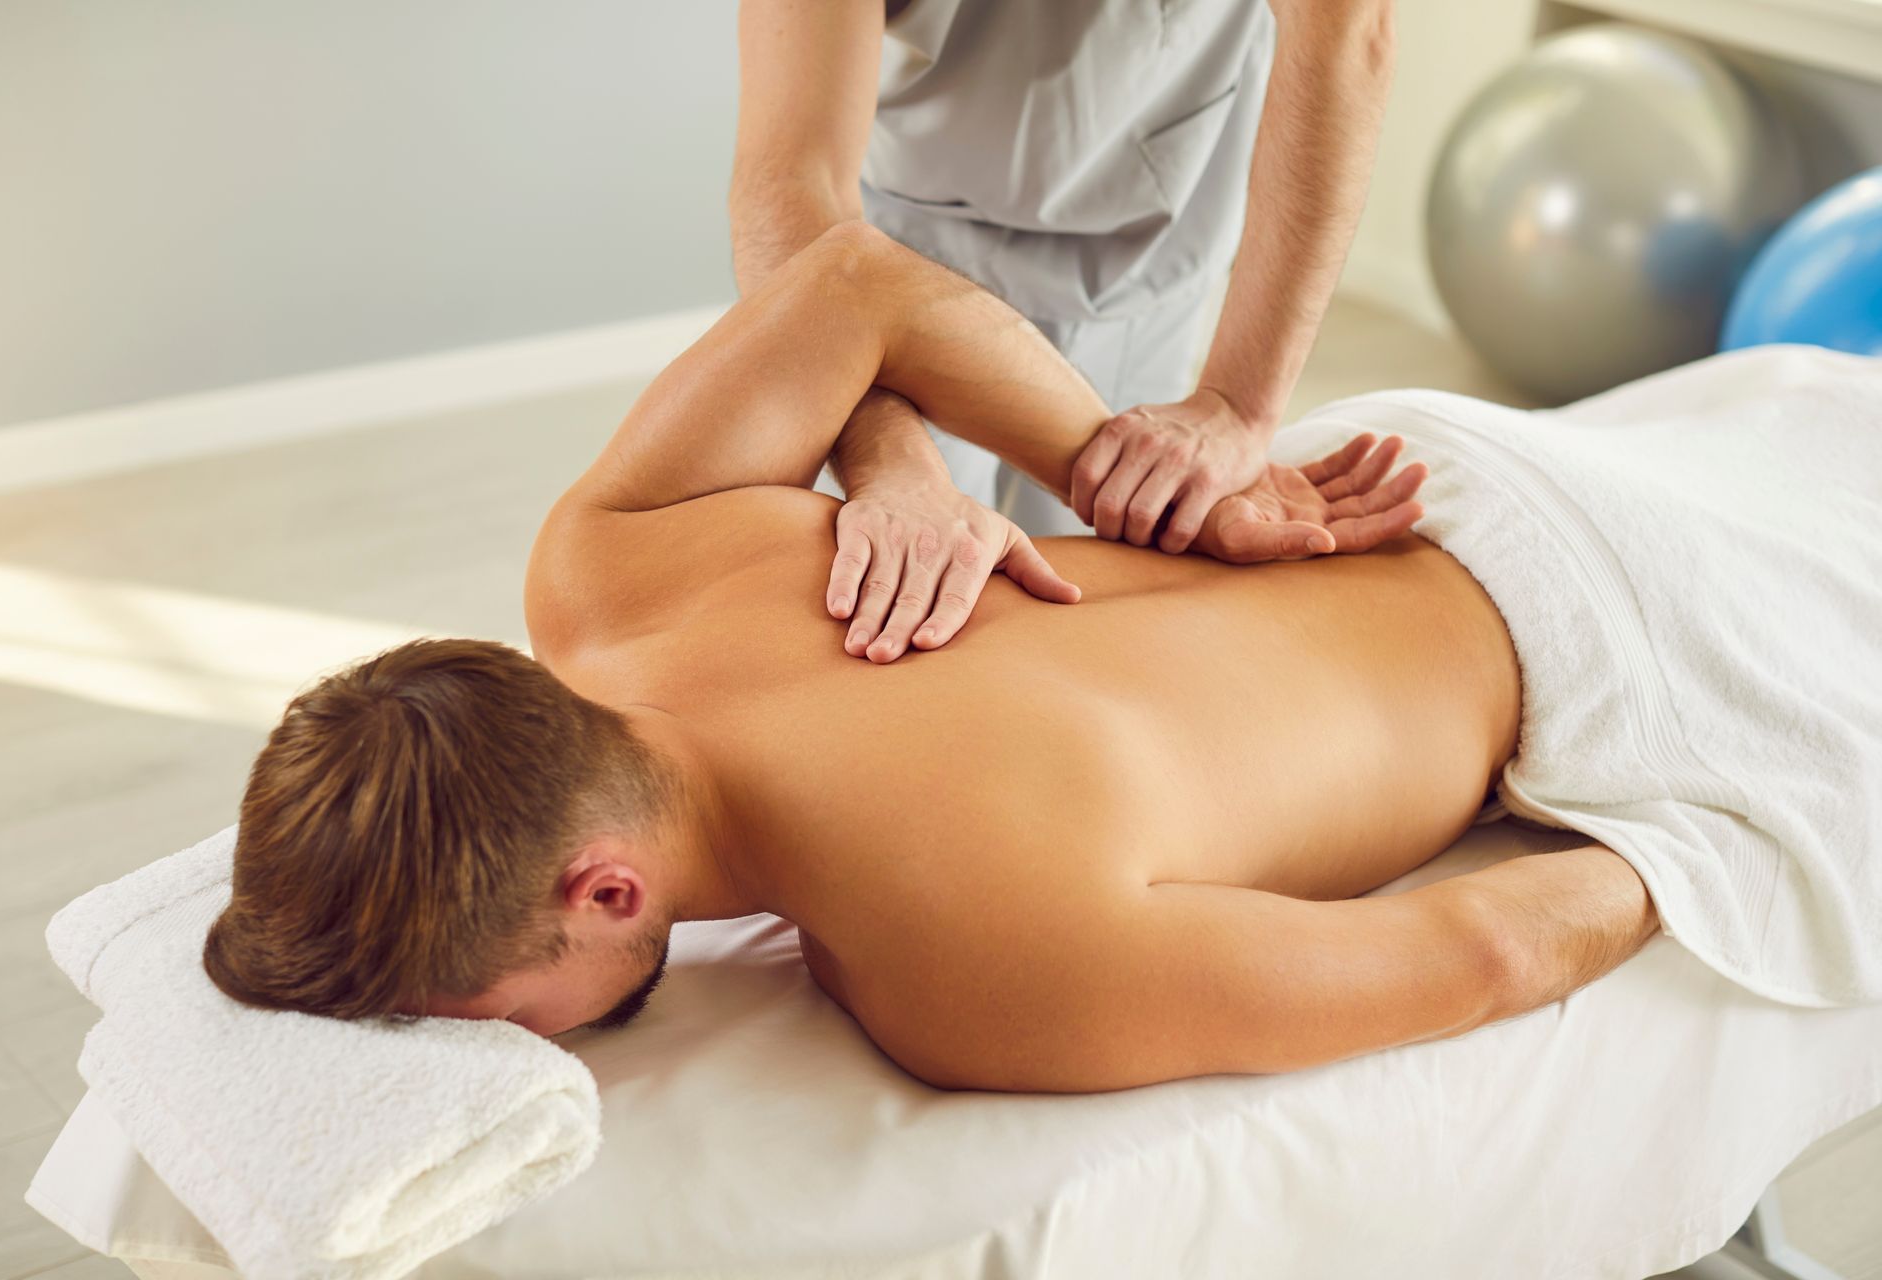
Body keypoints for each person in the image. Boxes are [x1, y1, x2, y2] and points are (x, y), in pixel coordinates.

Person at [202, 223, 1699, 1092]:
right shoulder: (607, 560)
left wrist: (1697, 861)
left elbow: (1486, 950)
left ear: (605, 889)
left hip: (1628, 649)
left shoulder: (960, 973)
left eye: (504, 1021)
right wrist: (1166, 481)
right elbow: (855, 281)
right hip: (1414, 465)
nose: (518, 1051)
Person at [730, 0, 1396, 662]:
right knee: (893, 606)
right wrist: (889, 464)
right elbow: (792, 179)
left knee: (1119, 600)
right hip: (899, 251)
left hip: (1154, 232)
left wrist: (1239, 406)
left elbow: (1348, 29)